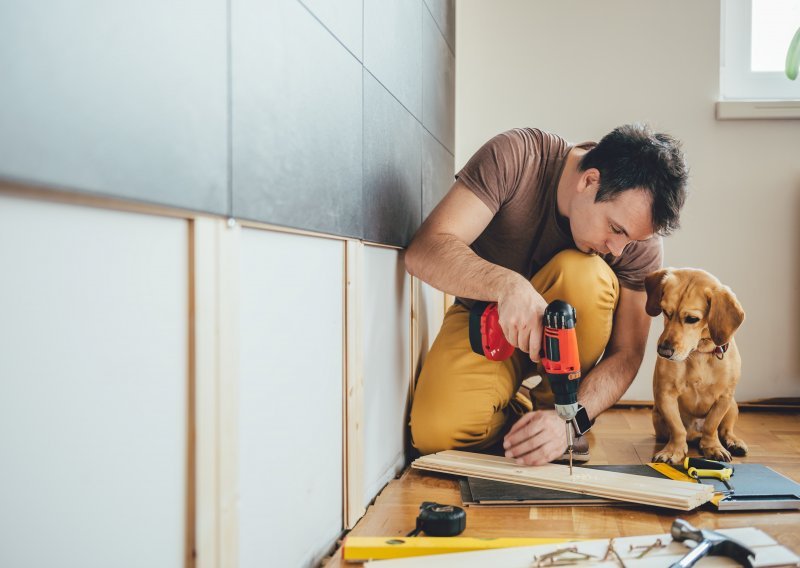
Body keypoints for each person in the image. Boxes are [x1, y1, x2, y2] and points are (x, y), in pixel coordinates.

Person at [405, 124, 688, 465]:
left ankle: (556, 417)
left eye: (629, 240)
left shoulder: (637, 243)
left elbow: (627, 354)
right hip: (488, 318)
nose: (617, 250)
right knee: (437, 434)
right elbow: (424, 251)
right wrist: (506, 285)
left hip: (569, 340)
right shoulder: (518, 157)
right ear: (589, 180)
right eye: (615, 229)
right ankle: (523, 413)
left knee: (584, 272)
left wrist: (572, 421)